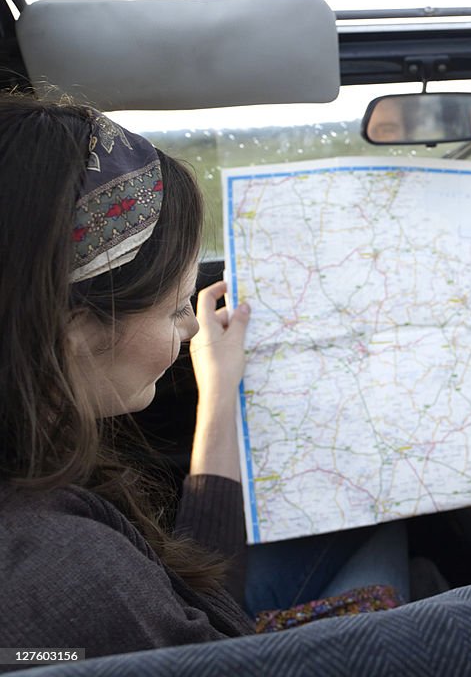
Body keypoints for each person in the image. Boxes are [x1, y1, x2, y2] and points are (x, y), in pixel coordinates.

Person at [0, 95, 407, 661]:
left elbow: (189, 594)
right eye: (173, 309)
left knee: (382, 531)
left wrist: (217, 393)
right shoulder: (70, 573)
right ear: (72, 328)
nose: (194, 326)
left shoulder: (36, 484)